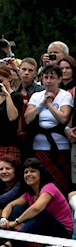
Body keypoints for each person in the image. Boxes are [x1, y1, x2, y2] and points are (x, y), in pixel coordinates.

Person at [0, 158, 75, 247]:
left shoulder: (49, 187)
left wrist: (16, 222)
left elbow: (37, 208)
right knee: (17, 208)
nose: (28, 174)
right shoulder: (30, 193)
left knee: (41, 214)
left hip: (63, 233)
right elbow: (10, 205)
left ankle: (12, 243)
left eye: (33, 171)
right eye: (26, 172)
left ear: (41, 174)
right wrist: (4, 219)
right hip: (44, 230)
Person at [24, 65, 72, 193]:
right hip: (39, 145)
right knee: (41, 182)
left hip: (60, 145)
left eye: (52, 77)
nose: (49, 81)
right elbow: (28, 118)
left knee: (61, 183)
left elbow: (63, 118)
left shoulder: (65, 95)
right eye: (46, 77)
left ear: (59, 79)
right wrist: (42, 104)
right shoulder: (36, 96)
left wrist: (50, 104)